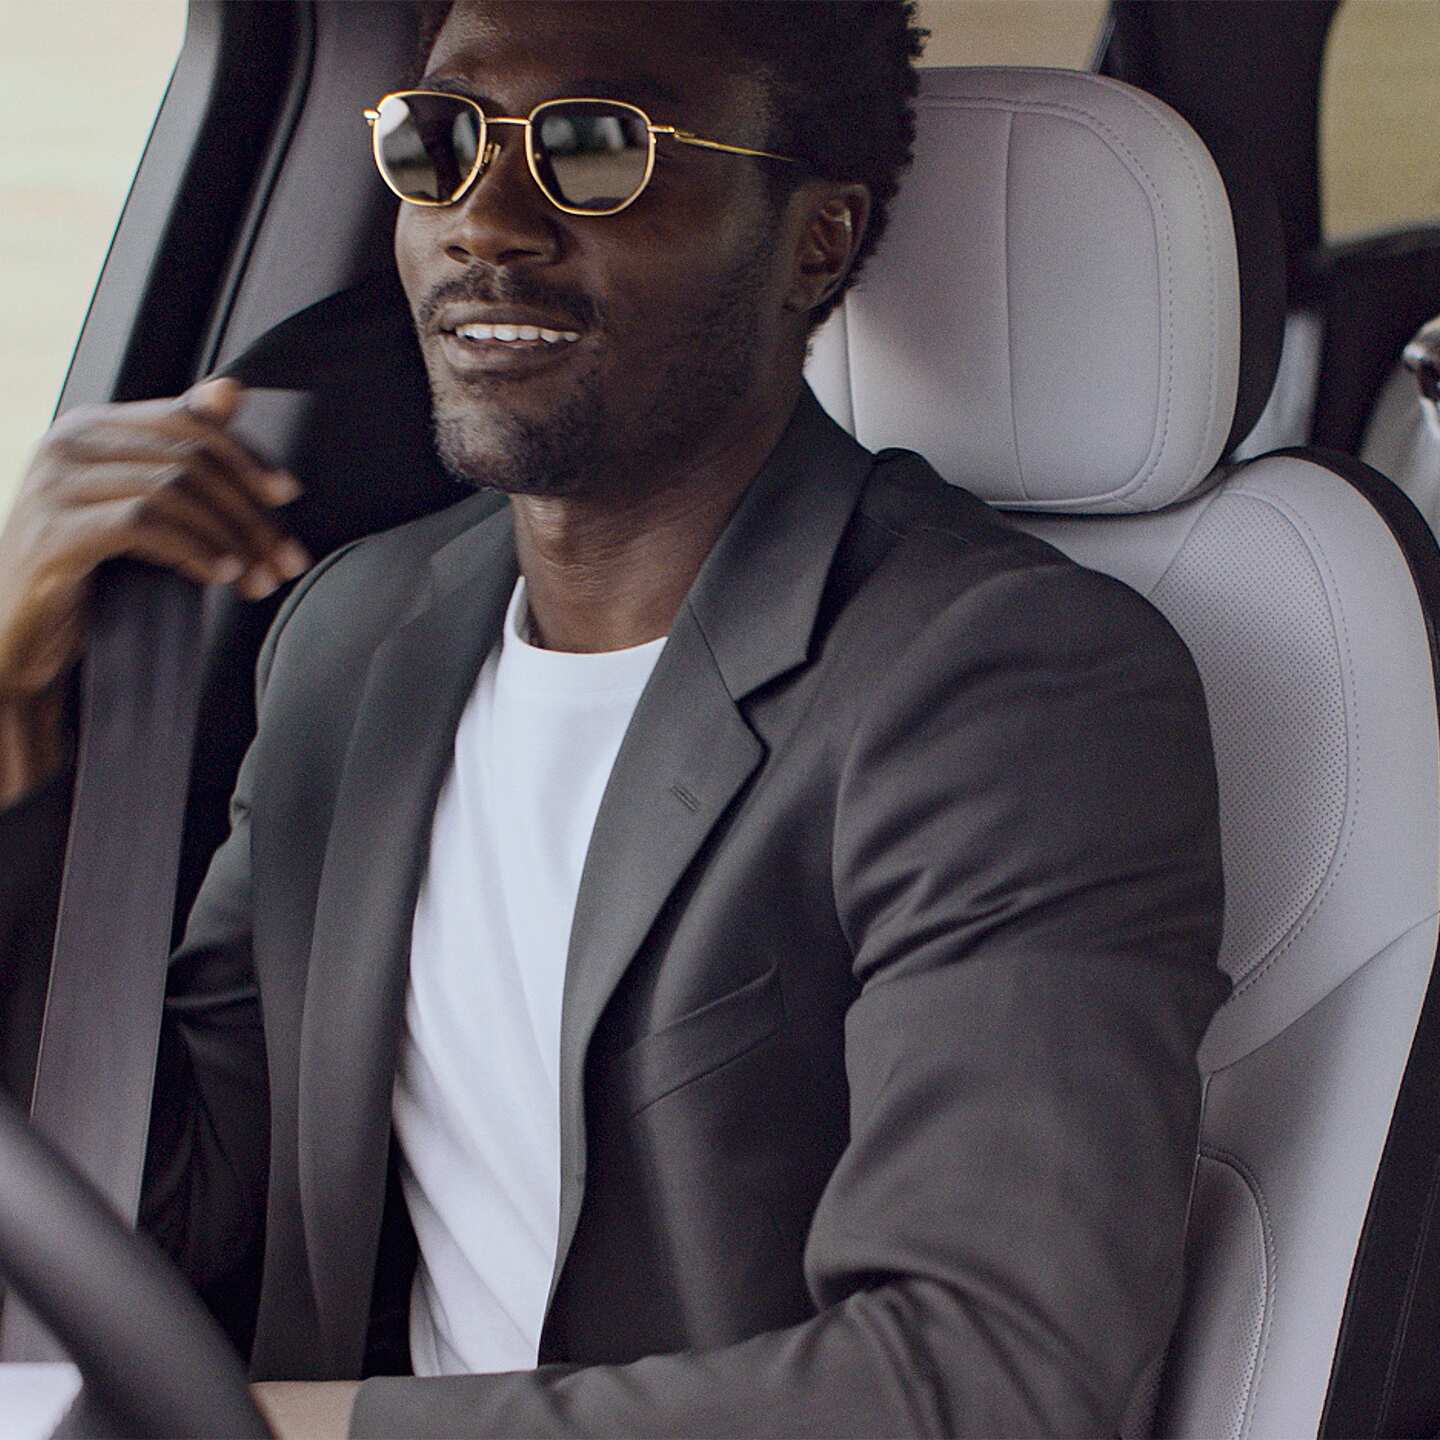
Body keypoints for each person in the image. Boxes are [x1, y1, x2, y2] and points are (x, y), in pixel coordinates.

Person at [0, 3, 1228, 1436]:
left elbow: (985, 1378)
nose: (485, 222)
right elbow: (156, 1195)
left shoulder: (1010, 685)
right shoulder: (355, 640)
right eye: (440, 140)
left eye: (597, 152)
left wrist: (293, 1433)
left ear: (813, 241)